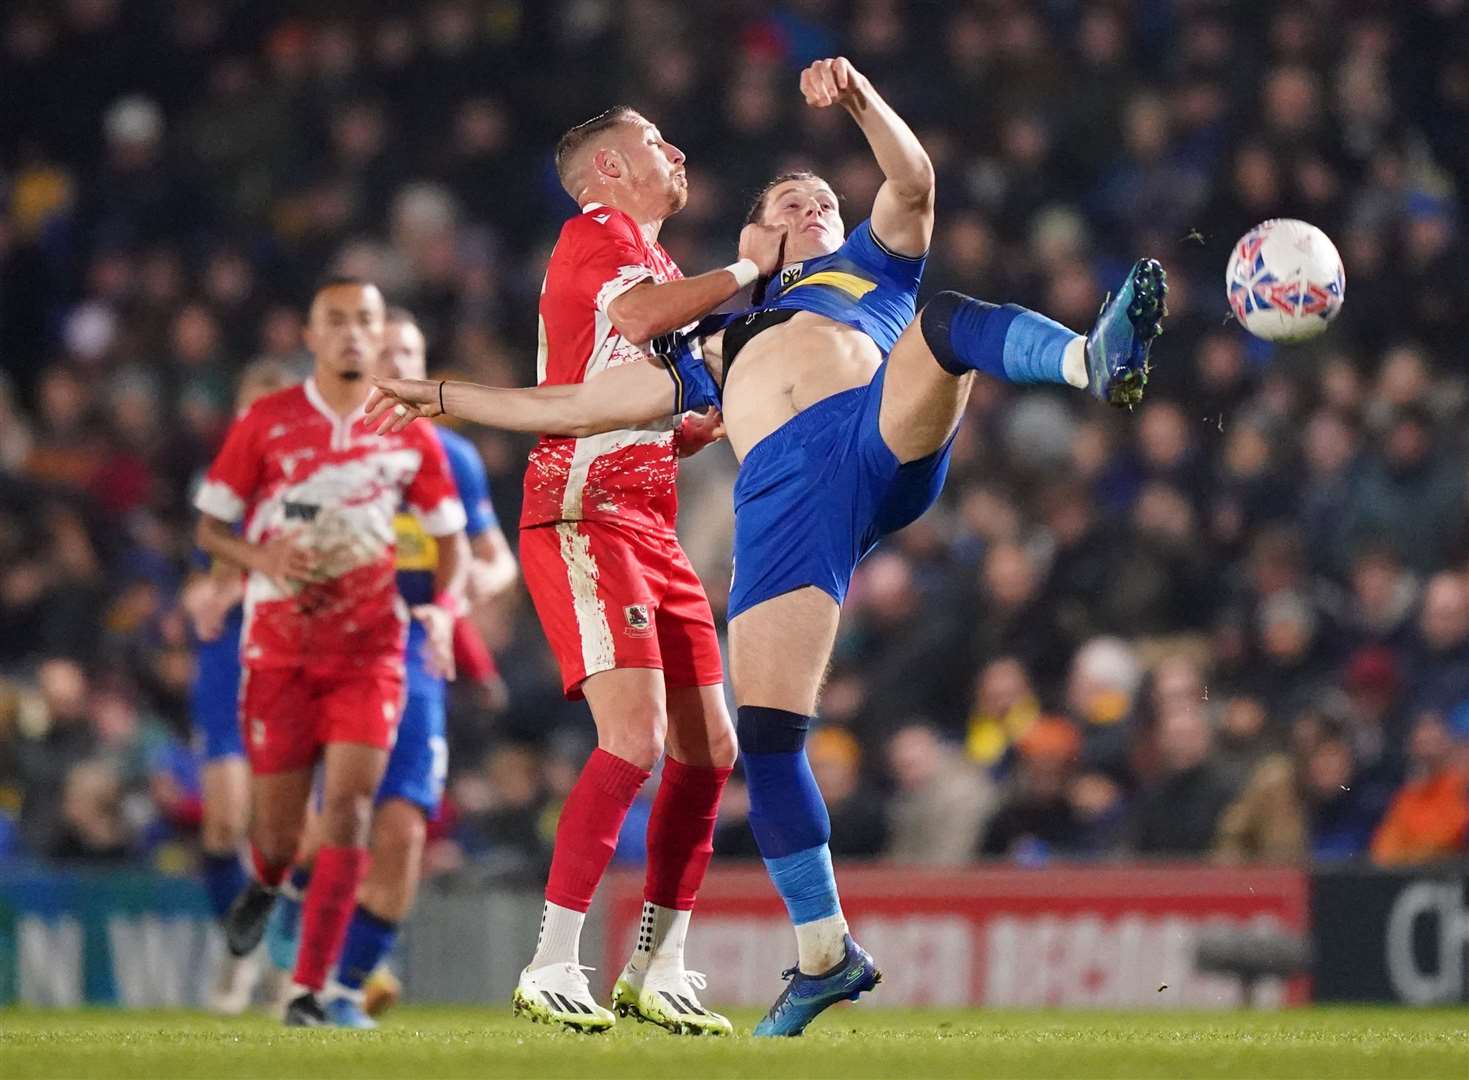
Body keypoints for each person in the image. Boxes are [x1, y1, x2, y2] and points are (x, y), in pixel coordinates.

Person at [369, 57, 1165, 1035]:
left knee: (944, 323)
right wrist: (447, 395)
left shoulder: (870, 265)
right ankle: (820, 953)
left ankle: (1091, 358)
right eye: (794, 196)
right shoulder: (715, 330)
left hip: (874, 436)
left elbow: (912, 182)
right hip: (788, 503)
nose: (817, 201)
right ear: (762, 228)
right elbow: (584, 402)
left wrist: (863, 98)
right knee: (763, 737)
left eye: (825, 194)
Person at [456, 105, 784, 1035]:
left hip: (646, 520)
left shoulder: (657, 261)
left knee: (709, 749)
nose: (678, 152)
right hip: (581, 512)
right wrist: (753, 264)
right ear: (608, 166)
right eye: (656, 144)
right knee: (633, 736)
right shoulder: (595, 235)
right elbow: (637, 320)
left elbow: (627, 394)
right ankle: (553, 961)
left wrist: (687, 427)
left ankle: (659, 963)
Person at [195, 277, 468, 1026]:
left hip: (371, 650)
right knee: (279, 836)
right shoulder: (267, 422)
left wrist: (440, 613)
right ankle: (267, 880)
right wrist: (262, 561)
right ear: (310, 337)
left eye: (365, 322)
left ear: (380, 335)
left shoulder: (409, 432)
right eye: (336, 322)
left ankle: (310, 990)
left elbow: (451, 544)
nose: (352, 335)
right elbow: (211, 528)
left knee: (348, 809)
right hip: (279, 650)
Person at [257, 307, 516, 1028]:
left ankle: (345, 988)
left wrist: (450, 602)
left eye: (412, 354)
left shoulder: (451, 457)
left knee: (402, 828)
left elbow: (496, 562)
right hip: (331, 651)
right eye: (386, 353)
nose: (399, 367)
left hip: (413, 653)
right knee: (339, 816)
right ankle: (297, 891)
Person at [180, 359, 297, 1015]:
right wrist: (204, 593)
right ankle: (239, 948)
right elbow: (200, 578)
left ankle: (285, 958)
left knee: (283, 830)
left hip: (288, 655)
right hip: (227, 663)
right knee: (223, 824)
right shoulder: (221, 486)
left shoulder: (315, 484)